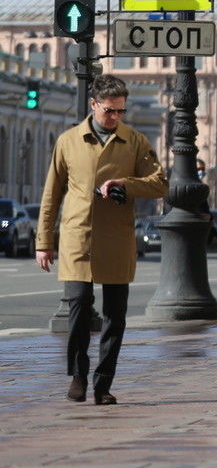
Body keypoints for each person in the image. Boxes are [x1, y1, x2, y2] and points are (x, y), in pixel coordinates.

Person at [36, 75, 168, 405]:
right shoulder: (68, 141)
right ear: (94, 104)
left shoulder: (135, 141)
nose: (115, 118)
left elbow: (159, 183)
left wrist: (126, 182)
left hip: (117, 237)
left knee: (115, 314)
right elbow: (52, 193)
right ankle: (78, 375)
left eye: (121, 111)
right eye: (110, 111)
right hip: (78, 235)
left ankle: (104, 382)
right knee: (78, 306)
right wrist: (43, 241)